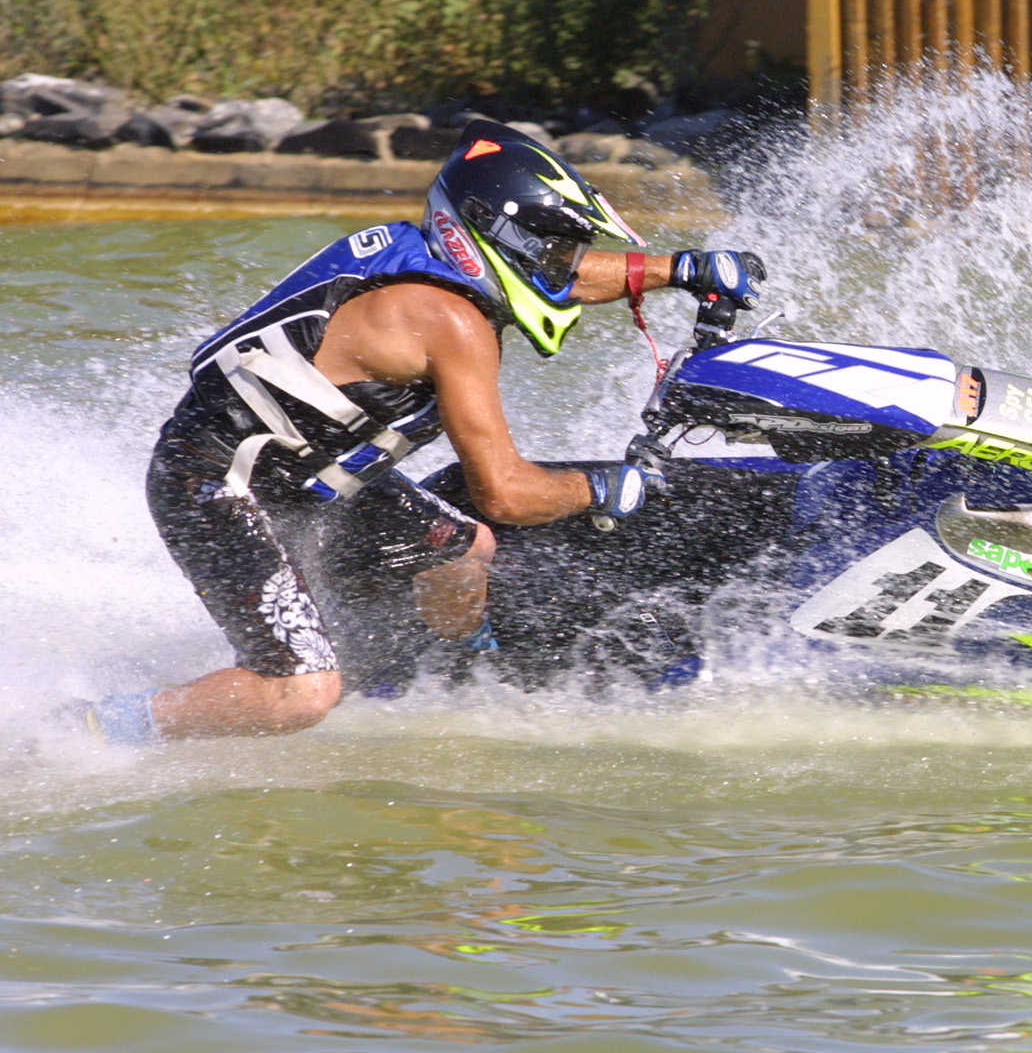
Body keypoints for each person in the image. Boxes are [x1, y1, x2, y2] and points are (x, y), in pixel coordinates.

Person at [89, 119, 764, 744]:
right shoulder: (449, 322)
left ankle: (451, 677)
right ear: (494, 236)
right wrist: (608, 487)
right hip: (215, 485)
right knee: (300, 695)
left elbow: (562, 275)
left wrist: (681, 269)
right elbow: (505, 492)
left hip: (300, 474)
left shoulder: (433, 259)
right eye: (555, 249)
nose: (566, 264)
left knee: (465, 550)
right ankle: (97, 729)